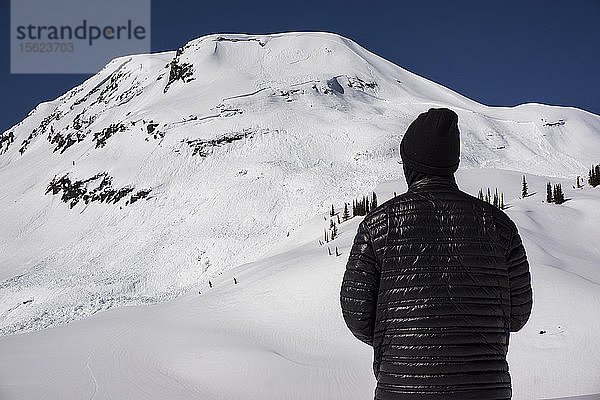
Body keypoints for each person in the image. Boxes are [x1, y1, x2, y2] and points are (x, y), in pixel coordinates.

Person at [340, 108, 533, 400]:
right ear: (451, 163)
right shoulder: (498, 224)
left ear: (410, 164)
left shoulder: (380, 224)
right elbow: (517, 315)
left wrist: (397, 343)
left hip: (402, 388)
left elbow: (357, 315)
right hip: (486, 391)